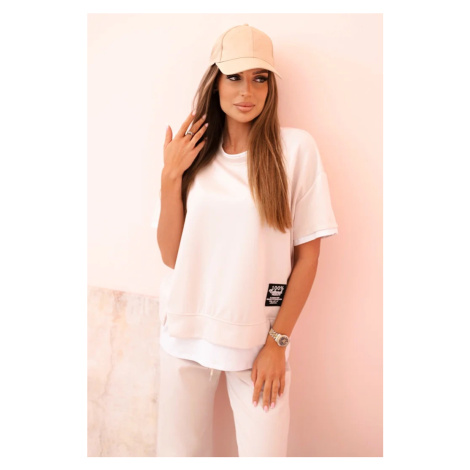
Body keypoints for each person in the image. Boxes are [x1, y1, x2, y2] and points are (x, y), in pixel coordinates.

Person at [150, 24, 339, 457]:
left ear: (271, 85)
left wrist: (278, 343)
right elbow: (171, 255)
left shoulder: (295, 150)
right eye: (234, 76)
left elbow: (308, 258)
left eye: (260, 78)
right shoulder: (194, 153)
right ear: (215, 81)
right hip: (185, 330)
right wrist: (170, 177)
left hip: (258, 341)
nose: (246, 91)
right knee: (177, 457)